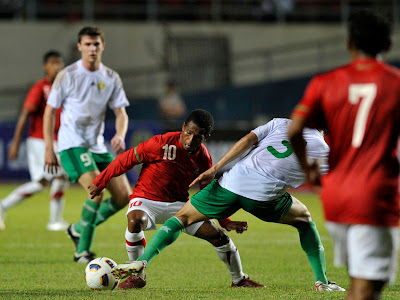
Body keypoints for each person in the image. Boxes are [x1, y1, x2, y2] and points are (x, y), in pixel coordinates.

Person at [110, 118, 345, 292]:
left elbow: (247, 140)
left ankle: (142, 262)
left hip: (231, 182)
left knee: (181, 219)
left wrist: (214, 169)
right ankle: (322, 282)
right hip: (263, 197)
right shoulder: (325, 151)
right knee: (304, 219)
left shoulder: (282, 123)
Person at [287, 11, 399, 300]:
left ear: (349, 44)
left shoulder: (326, 82)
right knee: (366, 288)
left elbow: (294, 130)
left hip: (336, 194)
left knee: (361, 283)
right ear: (388, 46)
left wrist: (308, 169)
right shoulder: (395, 83)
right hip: (373, 195)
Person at [88, 109, 264, 289]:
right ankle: (137, 277)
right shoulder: (160, 143)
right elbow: (126, 159)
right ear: (183, 127)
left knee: (218, 236)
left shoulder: (203, 158)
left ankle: (239, 279)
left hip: (180, 206)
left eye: (198, 137)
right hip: (146, 199)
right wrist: (101, 181)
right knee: (134, 221)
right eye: (189, 133)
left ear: (206, 137)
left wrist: (225, 221)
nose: (190, 140)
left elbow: (209, 194)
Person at [43, 26, 132, 263]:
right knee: (97, 190)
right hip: (72, 144)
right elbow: (50, 111)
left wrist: (120, 135)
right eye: (88, 44)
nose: (92, 49)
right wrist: (49, 148)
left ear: (102, 46)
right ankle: (82, 251)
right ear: (80, 46)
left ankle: (79, 228)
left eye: (96, 44)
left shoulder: (111, 77)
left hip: (97, 145)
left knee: (124, 196)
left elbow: (121, 113)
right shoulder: (68, 75)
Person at [0, 50, 69, 232]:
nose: (58, 66)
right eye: (53, 62)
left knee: (44, 182)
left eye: (60, 63)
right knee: (58, 177)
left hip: (57, 141)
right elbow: (25, 114)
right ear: (45, 66)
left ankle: (3, 206)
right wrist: (16, 142)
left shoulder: (63, 88)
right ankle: (54, 221)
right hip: (40, 140)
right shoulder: (40, 87)